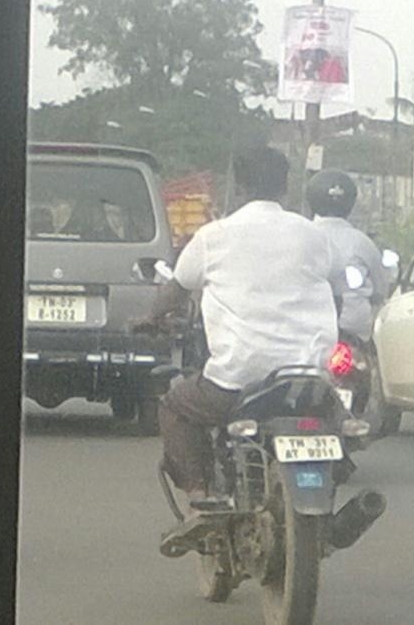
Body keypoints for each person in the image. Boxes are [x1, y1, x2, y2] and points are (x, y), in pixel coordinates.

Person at [144, 146, 342, 511]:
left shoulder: (213, 236)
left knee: (175, 407)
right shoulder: (314, 236)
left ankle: (203, 495)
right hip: (309, 379)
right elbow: (338, 287)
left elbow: (175, 290)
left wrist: (149, 319)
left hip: (237, 380)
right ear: (285, 188)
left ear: (239, 188)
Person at [305, 169, 388, 342]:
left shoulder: (300, 237)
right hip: (355, 331)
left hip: (307, 328)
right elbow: (381, 290)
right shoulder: (362, 242)